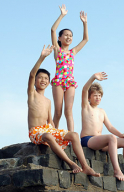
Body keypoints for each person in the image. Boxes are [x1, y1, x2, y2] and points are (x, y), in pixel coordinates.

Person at [27, 44, 100, 177]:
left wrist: (57, 133)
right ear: (35, 81)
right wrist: (42, 57)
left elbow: (51, 122)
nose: (43, 80)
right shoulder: (32, 94)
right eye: (40, 78)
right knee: (49, 136)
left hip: (48, 130)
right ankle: (71, 163)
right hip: (36, 132)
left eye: (46, 78)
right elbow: (32, 74)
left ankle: (85, 166)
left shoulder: (48, 101)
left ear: (49, 82)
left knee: (74, 135)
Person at [80, 72, 124, 184]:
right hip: (88, 140)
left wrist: (121, 135)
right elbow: (84, 89)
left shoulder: (102, 111)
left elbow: (110, 127)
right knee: (111, 138)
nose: (98, 97)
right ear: (89, 97)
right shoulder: (86, 107)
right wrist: (94, 77)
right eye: (95, 95)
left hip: (100, 141)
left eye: (99, 95)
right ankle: (117, 170)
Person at [50, 4, 88, 132]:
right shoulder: (57, 50)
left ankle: (72, 137)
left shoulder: (73, 51)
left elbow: (85, 39)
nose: (68, 37)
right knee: (58, 111)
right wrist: (62, 15)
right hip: (59, 82)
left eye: (70, 35)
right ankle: (53, 135)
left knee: (69, 111)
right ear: (60, 38)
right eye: (65, 35)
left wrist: (84, 23)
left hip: (70, 81)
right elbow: (53, 30)